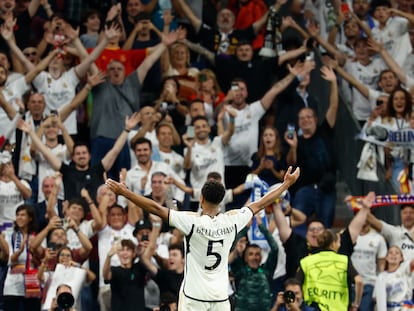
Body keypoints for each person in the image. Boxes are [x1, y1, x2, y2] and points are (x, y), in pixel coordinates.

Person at [105, 166, 300, 310]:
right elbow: (259, 203)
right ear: (221, 200)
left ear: (201, 199)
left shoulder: (191, 222)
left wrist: (125, 192)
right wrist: (286, 184)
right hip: (220, 298)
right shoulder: (232, 221)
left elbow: (155, 208)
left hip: (194, 297)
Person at [18, 112, 140, 200]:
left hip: (93, 218)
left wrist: (127, 130)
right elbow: (45, 152)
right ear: (73, 157)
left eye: (84, 153)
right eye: (78, 154)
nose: (81, 156)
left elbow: (115, 150)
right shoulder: (67, 170)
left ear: (90, 156)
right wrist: (31, 133)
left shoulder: (97, 170)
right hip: (72, 216)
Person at [285, 66, 338, 230]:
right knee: (297, 226)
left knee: (326, 227)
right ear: (298, 122)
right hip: (304, 189)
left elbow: (333, 107)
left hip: (326, 188)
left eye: (309, 117)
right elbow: (291, 162)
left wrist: (334, 82)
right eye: (302, 118)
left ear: (315, 119)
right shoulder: (296, 140)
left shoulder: (324, 131)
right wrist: (293, 147)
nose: (306, 120)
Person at [296, 229, 363, 311]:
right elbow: (359, 281)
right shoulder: (344, 260)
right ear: (333, 243)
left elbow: (295, 285)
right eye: (338, 242)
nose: (339, 245)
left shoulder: (306, 261)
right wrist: (356, 304)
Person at [229, 214, 279, 311]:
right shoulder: (240, 270)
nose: (254, 257)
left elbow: (275, 249)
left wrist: (262, 227)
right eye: (251, 254)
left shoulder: (266, 270)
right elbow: (233, 245)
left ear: (261, 257)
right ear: (246, 258)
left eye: (257, 254)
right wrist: (247, 227)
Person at [3, 205, 41, 311]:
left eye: (23, 215)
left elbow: (41, 259)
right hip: (13, 285)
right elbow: (11, 260)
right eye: (18, 215)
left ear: (30, 218)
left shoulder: (36, 236)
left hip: (32, 283)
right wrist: (20, 250)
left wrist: (34, 250)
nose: (19, 217)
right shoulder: (10, 235)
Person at [373, 245, 414, 310]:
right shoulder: (381, 277)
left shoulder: (404, 268)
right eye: (390, 253)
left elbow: (412, 263)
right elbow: (379, 299)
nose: (393, 255)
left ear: (401, 258)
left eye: (397, 253)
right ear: (386, 257)